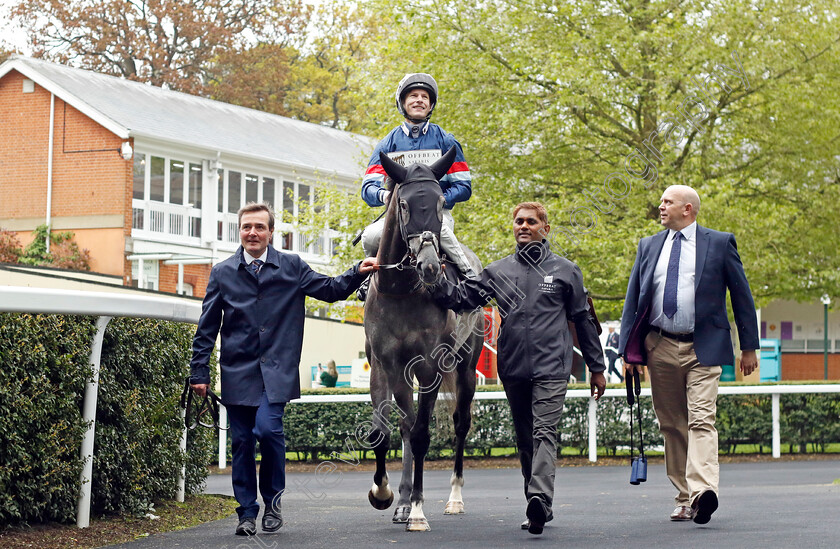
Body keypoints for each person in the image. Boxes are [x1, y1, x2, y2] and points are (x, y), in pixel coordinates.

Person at [189, 202, 377, 536]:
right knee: (242, 443)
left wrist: (356, 271)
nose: (253, 233)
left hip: (276, 372)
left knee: (268, 431)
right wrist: (199, 373)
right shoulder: (222, 272)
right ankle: (247, 512)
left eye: (260, 227)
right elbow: (207, 328)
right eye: (247, 227)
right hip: (237, 372)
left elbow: (329, 289)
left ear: (271, 232)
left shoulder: (291, 266)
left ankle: (273, 503)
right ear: (240, 230)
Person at [432, 201, 606, 536]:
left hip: (553, 367)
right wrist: (434, 278)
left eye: (530, 221)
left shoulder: (566, 270)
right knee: (526, 439)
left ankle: (539, 498)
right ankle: (537, 503)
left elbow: (582, 321)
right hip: (513, 367)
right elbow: (462, 298)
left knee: (545, 432)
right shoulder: (498, 272)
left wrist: (596, 368)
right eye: (518, 222)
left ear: (546, 228)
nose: (523, 226)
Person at [618, 185, 759, 525]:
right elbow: (633, 299)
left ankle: (703, 492)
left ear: (688, 209)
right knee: (672, 424)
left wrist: (749, 346)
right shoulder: (648, 245)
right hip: (659, 346)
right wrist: (627, 352)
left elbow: (742, 296)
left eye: (667, 202)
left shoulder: (720, 243)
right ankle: (684, 496)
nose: (660, 206)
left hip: (704, 346)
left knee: (701, 419)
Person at [359, 72, 476, 294]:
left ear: (431, 105)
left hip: (436, 216)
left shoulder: (447, 141)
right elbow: (367, 188)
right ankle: (369, 280)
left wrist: (439, 201)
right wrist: (386, 197)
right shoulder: (387, 144)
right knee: (369, 236)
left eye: (425, 96)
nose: (419, 100)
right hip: (402, 216)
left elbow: (464, 187)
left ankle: (470, 277)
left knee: (446, 237)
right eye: (413, 95)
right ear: (403, 103)